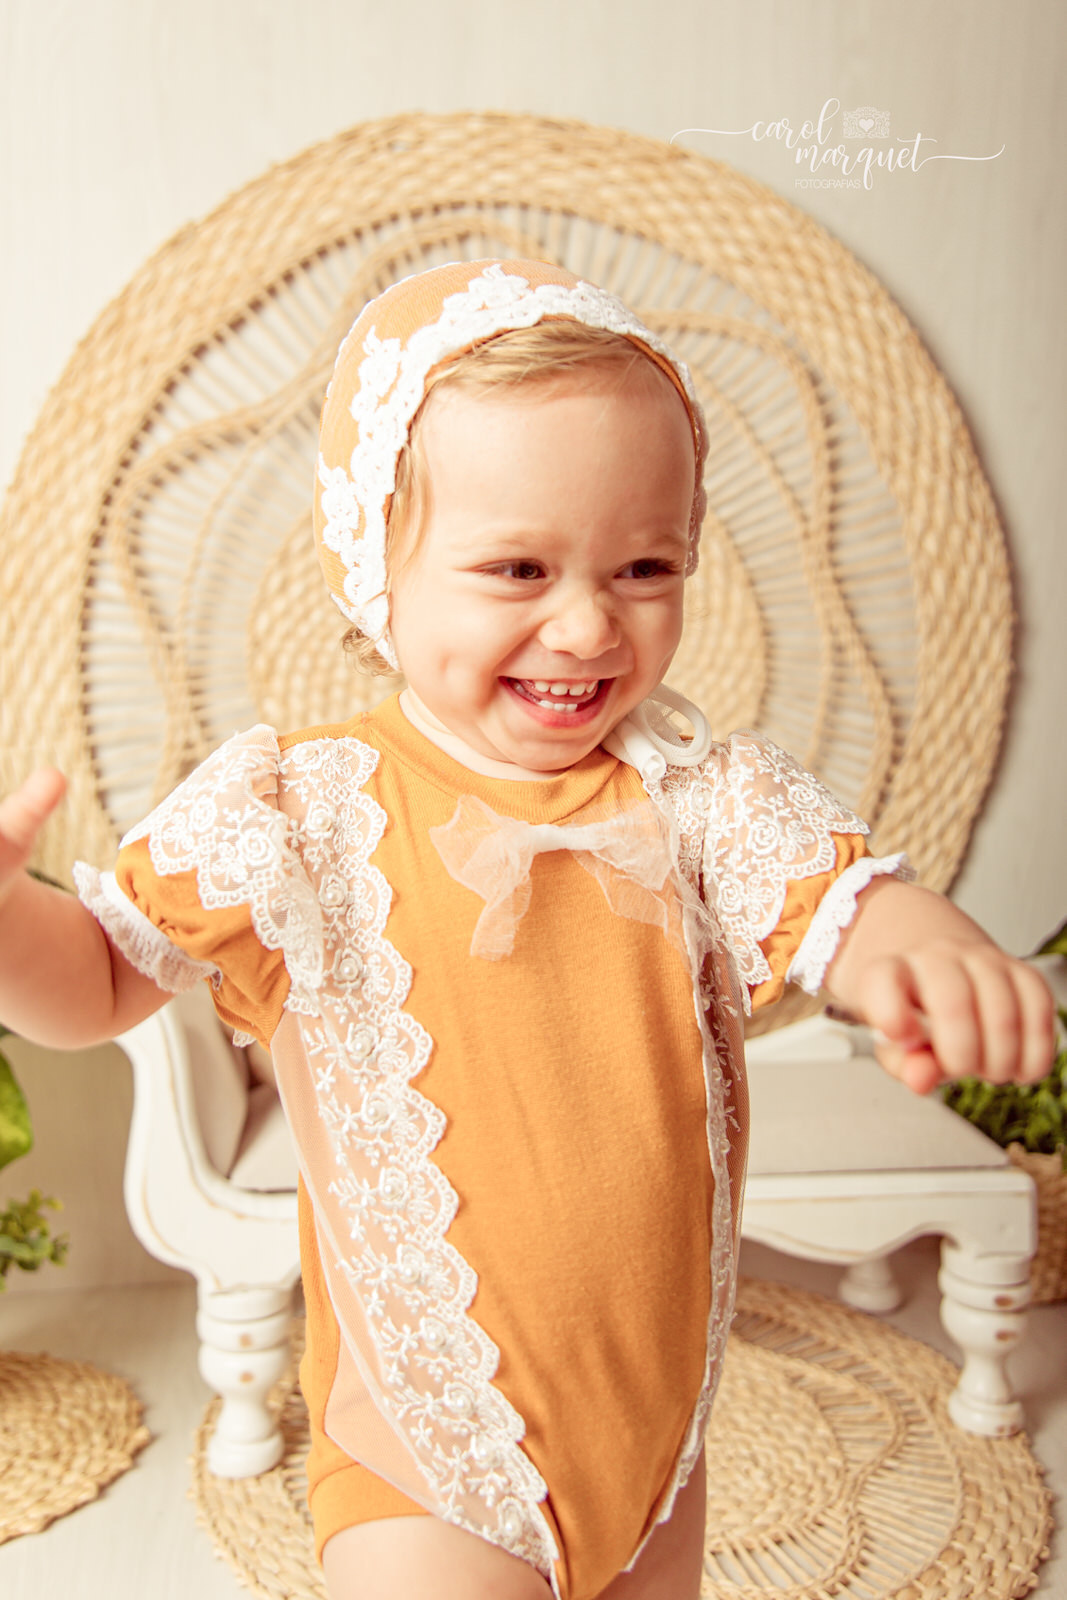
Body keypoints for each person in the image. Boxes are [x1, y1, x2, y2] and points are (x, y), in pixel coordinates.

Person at [0, 259, 1053, 1600]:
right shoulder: (302, 811)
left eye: (646, 564)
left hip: (660, 1440)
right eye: (516, 567)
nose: (587, 622)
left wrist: (921, 944)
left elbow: (845, 905)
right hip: (424, 1457)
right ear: (374, 564)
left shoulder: (701, 796)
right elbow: (91, 983)